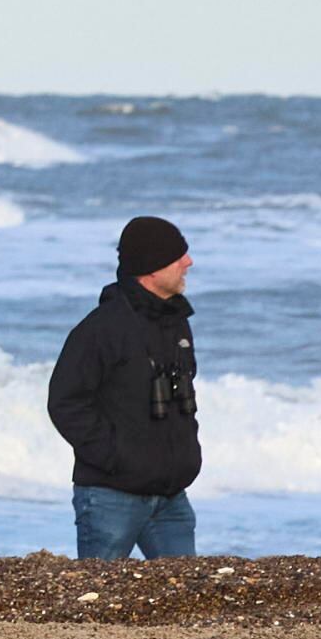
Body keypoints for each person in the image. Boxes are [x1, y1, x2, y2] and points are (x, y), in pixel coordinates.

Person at [50, 215, 201, 558]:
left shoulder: (176, 324)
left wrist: (185, 457)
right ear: (151, 268)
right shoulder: (101, 329)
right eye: (179, 256)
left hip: (171, 496)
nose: (188, 262)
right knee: (98, 601)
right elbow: (65, 402)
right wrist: (115, 457)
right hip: (111, 496)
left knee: (184, 600)